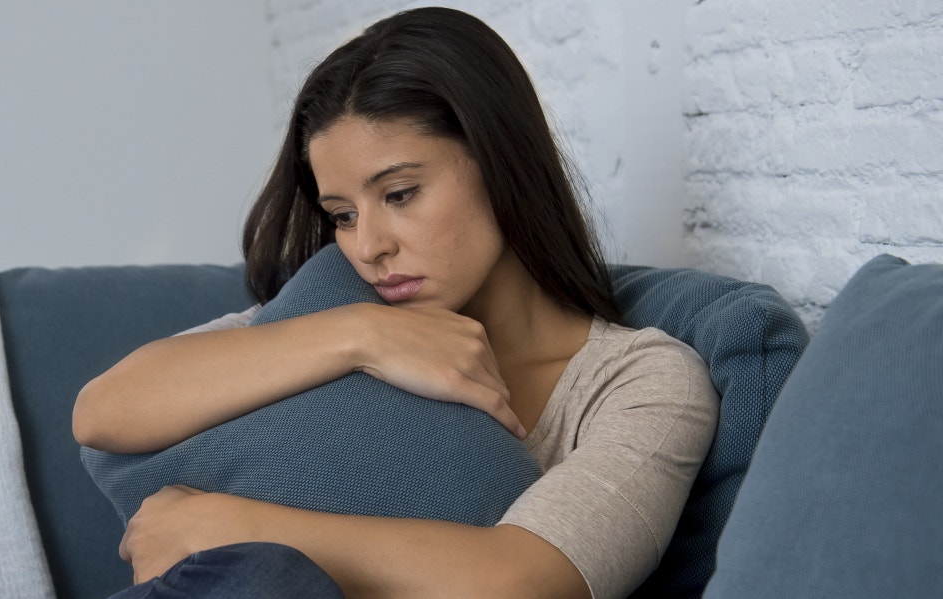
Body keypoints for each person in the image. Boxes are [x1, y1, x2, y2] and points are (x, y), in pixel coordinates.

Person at [72, 6, 718, 599]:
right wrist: (361, 336)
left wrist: (230, 523)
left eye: (401, 193)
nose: (369, 246)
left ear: (501, 162)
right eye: (343, 214)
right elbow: (102, 411)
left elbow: (527, 581)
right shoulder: (343, 305)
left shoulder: (641, 382)